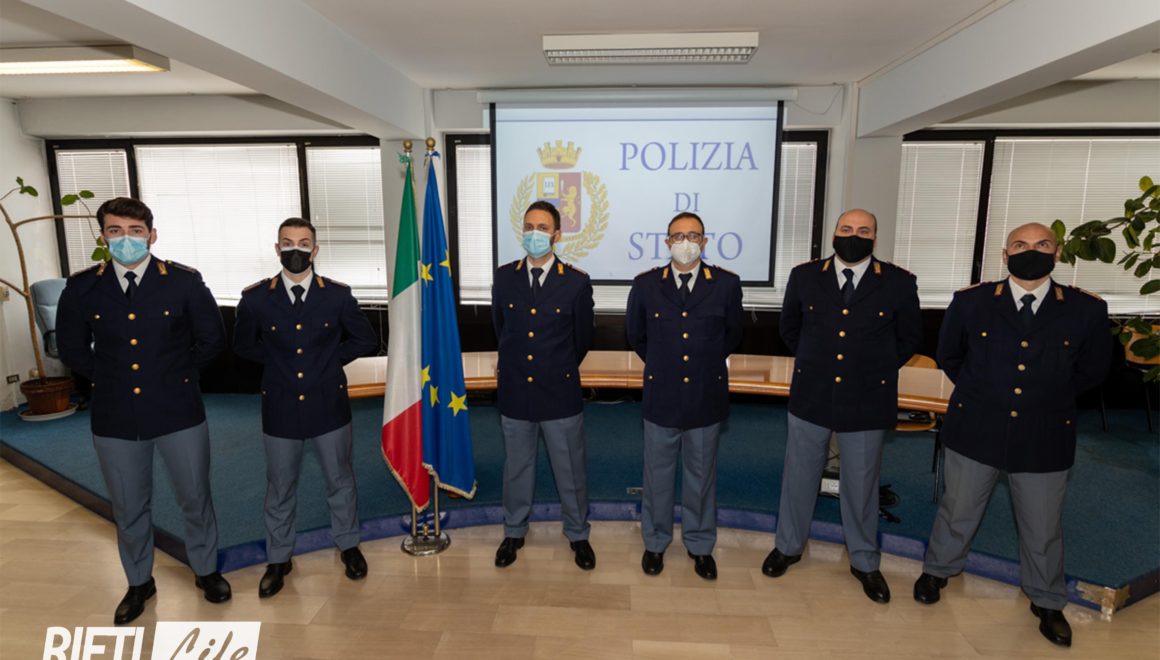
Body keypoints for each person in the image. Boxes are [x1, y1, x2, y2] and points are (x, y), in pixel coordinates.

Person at [914, 222, 1110, 647]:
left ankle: (1046, 599)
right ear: (1005, 256)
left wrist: (1048, 396)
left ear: (1057, 253)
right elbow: (949, 355)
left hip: (1044, 432)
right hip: (976, 425)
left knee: (1042, 524)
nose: (1030, 251)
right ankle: (938, 570)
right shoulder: (971, 302)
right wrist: (985, 393)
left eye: (1042, 244)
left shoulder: (1086, 309)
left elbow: (1093, 369)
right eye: (1020, 245)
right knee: (958, 508)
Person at [56, 197, 231, 625]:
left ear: (152, 235)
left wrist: (178, 375)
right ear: (103, 237)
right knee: (129, 504)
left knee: (195, 497)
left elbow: (212, 338)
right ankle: (139, 582)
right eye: (115, 231)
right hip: (115, 414)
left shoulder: (183, 282)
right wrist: (109, 377)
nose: (126, 239)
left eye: (135, 231)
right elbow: (72, 348)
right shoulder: (83, 288)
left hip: (178, 410)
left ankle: (205, 569)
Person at [763, 208, 921, 603]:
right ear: (834, 233)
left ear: (875, 238)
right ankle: (788, 547)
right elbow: (789, 328)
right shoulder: (804, 276)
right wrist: (817, 362)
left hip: (867, 397)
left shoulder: (899, 282)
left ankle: (864, 560)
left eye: (864, 230)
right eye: (846, 228)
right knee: (799, 475)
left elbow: (908, 339)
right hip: (812, 392)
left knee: (862, 483)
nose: (854, 235)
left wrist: (871, 370)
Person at [233, 218, 377, 597]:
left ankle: (348, 546)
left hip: (329, 403)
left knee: (340, 480)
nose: (295, 250)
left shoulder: (337, 296)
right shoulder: (256, 298)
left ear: (315, 250)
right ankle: (279, 558)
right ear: (277, 248)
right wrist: (279, 363)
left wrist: (329, 361)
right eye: (287, 243)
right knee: (280, 486)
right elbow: (243, 345)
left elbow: (366, 339)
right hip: (280, 405)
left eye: (303, 243)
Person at [626, 211, 743, 580]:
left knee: (701, 476)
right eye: (678, 236)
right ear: (667, 242)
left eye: (693, 236)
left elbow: (732, 334)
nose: (686, 242)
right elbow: (636, 335)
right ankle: (655, 542)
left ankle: (700, 545)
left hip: (706, 395)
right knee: (657, 476)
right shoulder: (646, 285)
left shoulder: (726, 284)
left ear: (704, 242)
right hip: (662, 394)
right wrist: (666, 364)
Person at [491, 201, 596, 570]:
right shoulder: (505, 277)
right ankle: (514, 531)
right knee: (517, 467)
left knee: (570, 468)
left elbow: (582, 340)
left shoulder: (576, 282)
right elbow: (501, 329)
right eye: (529, 226)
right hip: (516, 389)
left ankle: (578, 533)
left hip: (559, 391)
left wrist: (556, 367)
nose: (534, 233)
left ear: (557, 235)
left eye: (542, 227)